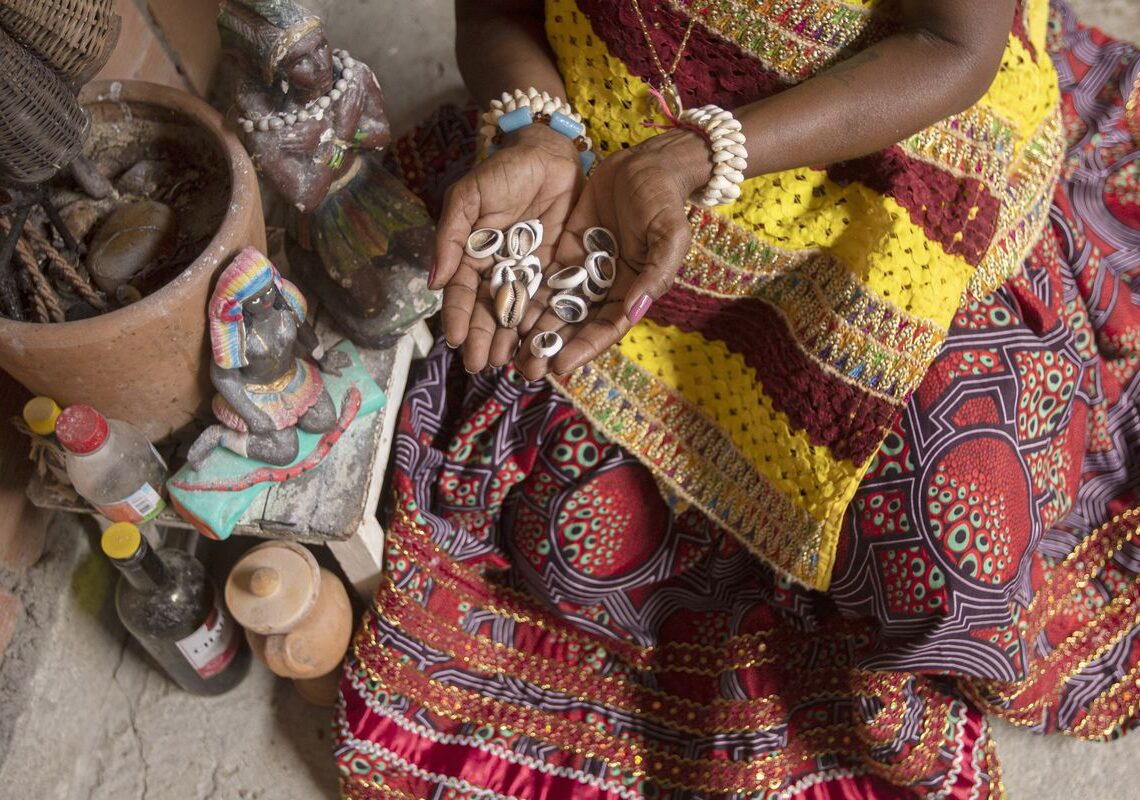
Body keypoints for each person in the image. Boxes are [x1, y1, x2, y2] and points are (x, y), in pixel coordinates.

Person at [336, 1, 1140, 797]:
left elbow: (952, 45)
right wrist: (540, 129)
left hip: (878, 177)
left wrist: (695, 154)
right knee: (566, 534)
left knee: (961, 558)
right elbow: (491, 15)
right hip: (610, 180)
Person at [217, 0, 438, 347]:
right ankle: (310, 266)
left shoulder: (352, 77)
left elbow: (381, 135)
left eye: (321, 45)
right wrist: (337, 137)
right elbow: (308, 196)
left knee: (429, 254)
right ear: (278, 75)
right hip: (325, 219)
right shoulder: (267, 128)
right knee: (371, 306)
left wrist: (333, 137)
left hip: (369, 185)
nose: (320, 63)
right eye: (300, 61)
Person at [187, 246, 348, 469]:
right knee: (285, 452)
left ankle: (291, 418)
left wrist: (323, 357)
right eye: (255, 300)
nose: (265, 301)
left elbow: (305, 331)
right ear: (239, 305)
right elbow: (223, 376)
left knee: (325, 419)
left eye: (268, 291)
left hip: (293, 378)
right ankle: (220, 436)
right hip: (258, 395)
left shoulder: (286, 308)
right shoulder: (236, 334)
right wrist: (250, 413)